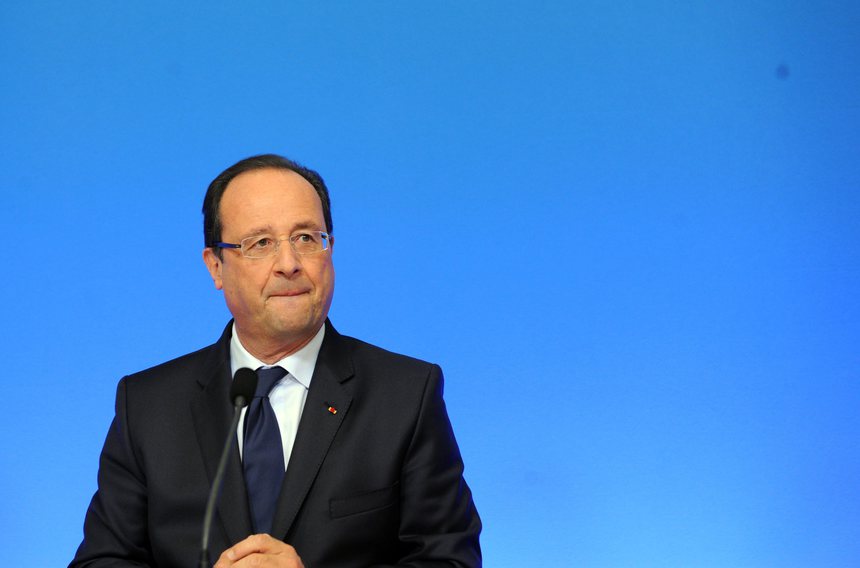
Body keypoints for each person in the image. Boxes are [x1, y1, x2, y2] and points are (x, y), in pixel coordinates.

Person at [70, 154, 482, 568]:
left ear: (330, 250)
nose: (289, 264)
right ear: (216, 266)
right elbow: (101, 562)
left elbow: (450, 560)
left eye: (306, 238)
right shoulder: (148, 405)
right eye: (260, 244)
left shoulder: (406, 396)